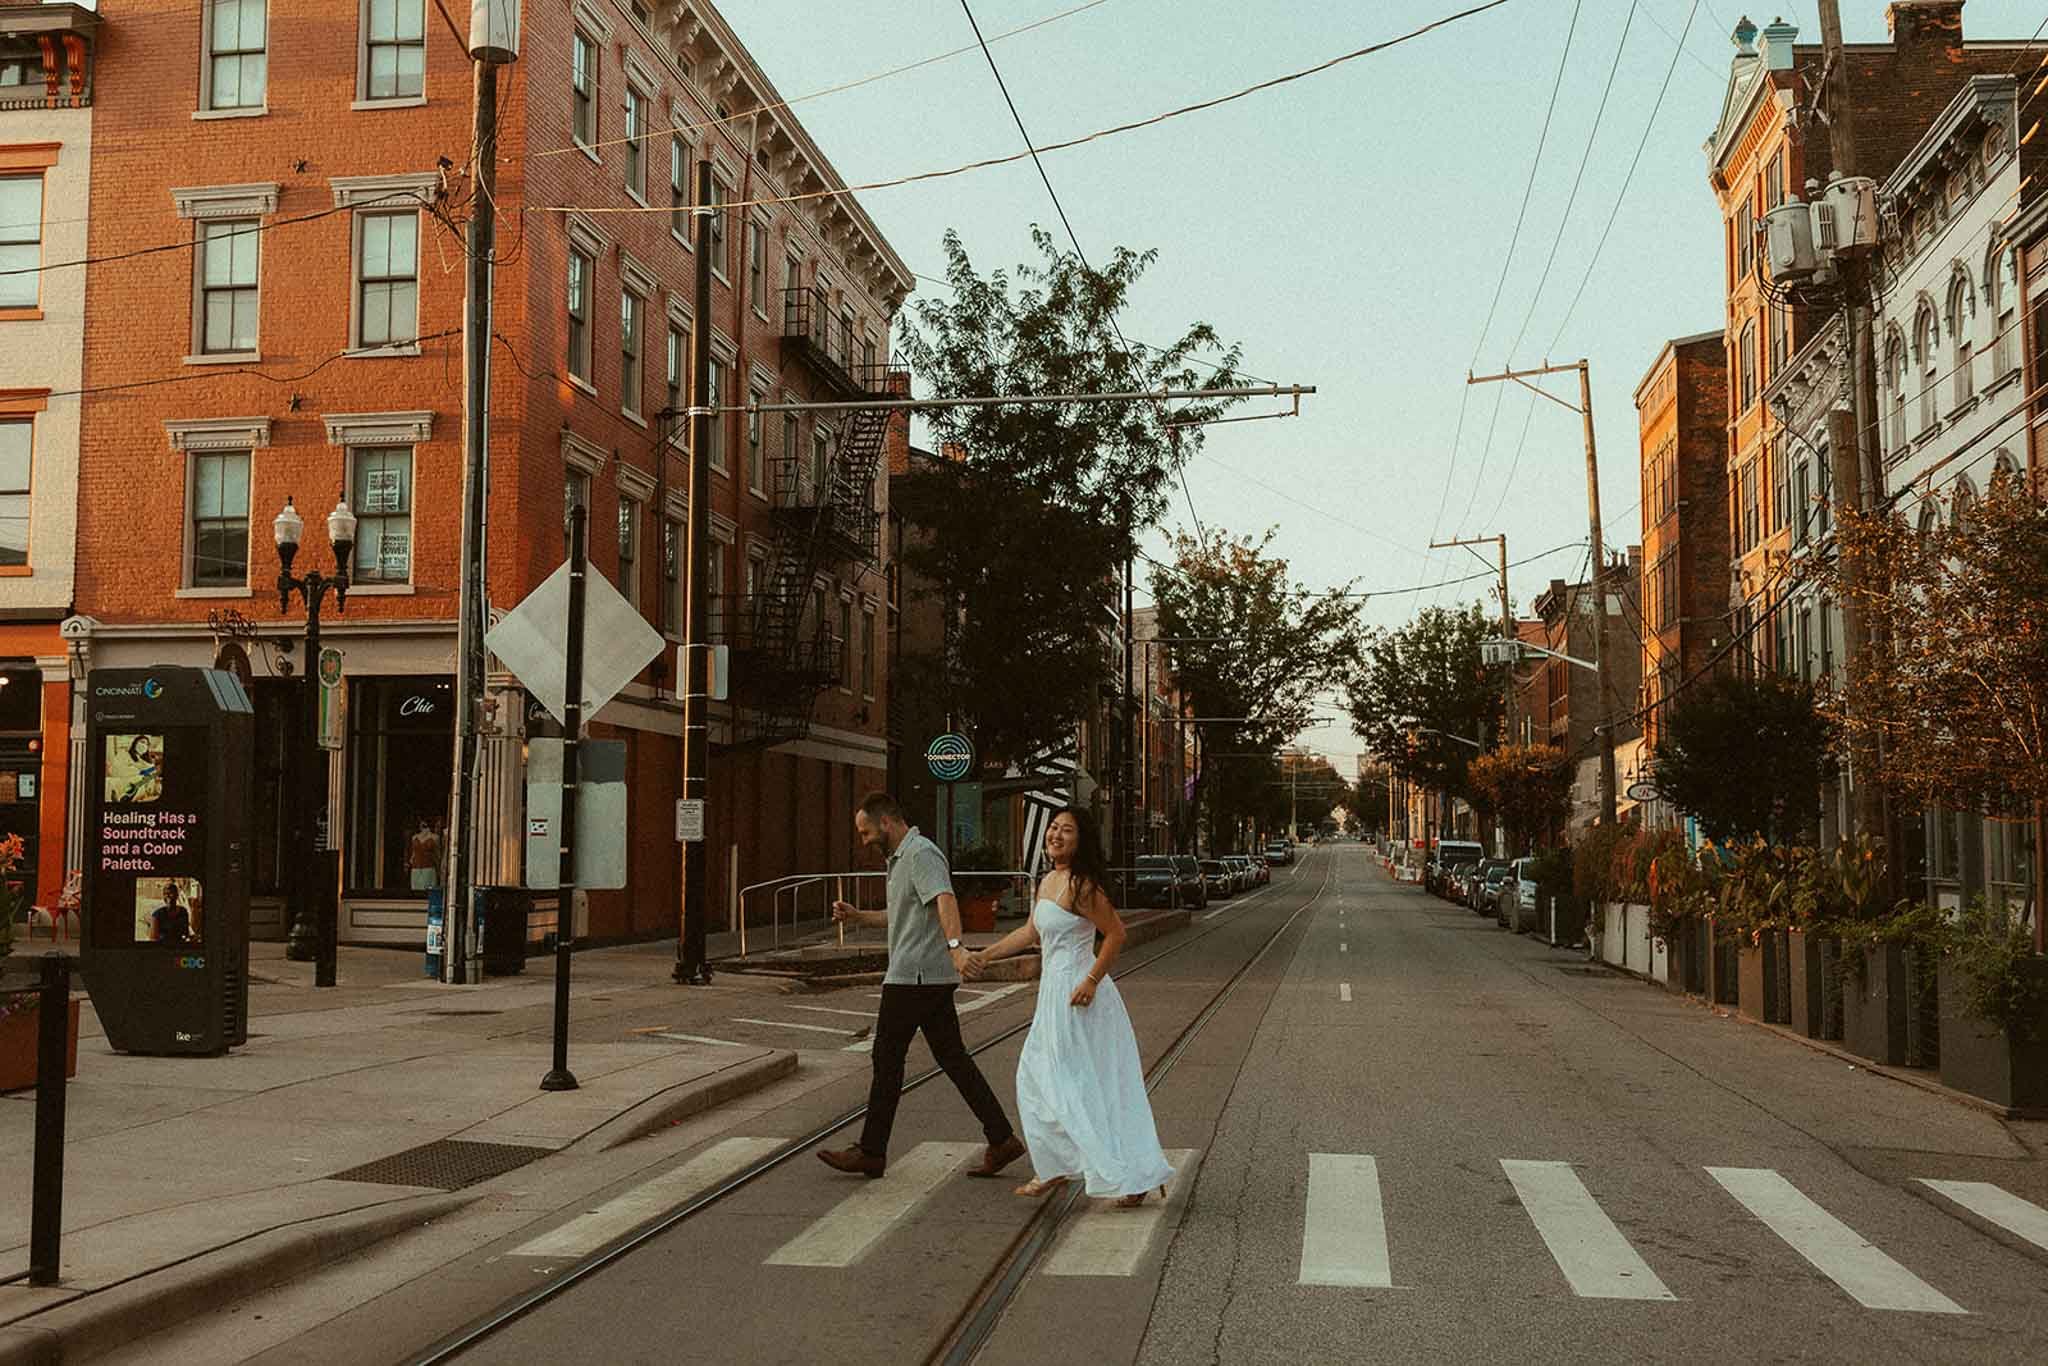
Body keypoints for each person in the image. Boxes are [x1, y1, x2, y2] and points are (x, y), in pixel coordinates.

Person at [965, 805, 1174, 1208]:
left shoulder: (1081, 886)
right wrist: (985, 956)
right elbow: (1029, 932)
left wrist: (1091, 981)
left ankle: (1125, 1173)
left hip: (1082, 995)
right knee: (1038, 1078)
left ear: (1081, 842)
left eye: (1067, 831)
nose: (1056, 835)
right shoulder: (1047, 881)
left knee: (1086, 1085)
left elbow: (1115, 933)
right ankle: (1064, 1166)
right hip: (1053, 995)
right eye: (1054, 828)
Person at [817, 792, 1026, 1181]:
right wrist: (858, 915)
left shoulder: (920, 854)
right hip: (924, 977)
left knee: (887, 1059)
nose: (864, 841)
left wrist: (957, 948)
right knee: (952, 1058)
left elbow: (945, 901)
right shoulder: (899, 861)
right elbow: (900, 916)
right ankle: (1001, 1139)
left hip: (913, 977)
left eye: (866, 832)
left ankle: (872, 1151)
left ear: (886, 822)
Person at [148, 881, 192, 945]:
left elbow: (186, 933)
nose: (167, 896)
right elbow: (153, 939)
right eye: (165, 894)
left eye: (171, 893)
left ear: (177, 895)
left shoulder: (183, 912)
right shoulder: (157, 914)